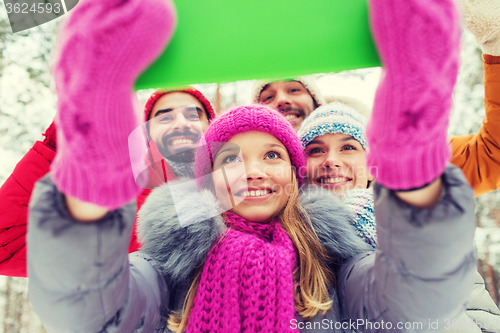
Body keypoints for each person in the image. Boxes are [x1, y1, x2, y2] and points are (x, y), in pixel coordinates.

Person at [28, 0, 477, 331]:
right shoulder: (171, 262)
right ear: (206, 181)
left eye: (273, 155)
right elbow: (91, 311)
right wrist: (91, 176)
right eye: (229, 158)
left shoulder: (337, 260)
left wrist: (413, 164)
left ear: (298, 179)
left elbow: (416, 304)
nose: (252, 171)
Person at [251, 0, 500, 199]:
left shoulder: (405, 153)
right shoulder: (257, 186)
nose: (281, 101)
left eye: (294, 90)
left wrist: (496, 38)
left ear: (317, 100)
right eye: (268, 97)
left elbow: (491, 154)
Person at [298, 101, 500, 332]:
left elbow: (483, 319)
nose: (331, 160)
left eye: (348, 148)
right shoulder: (287, 241)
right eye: (316, 150)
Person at [0, 86, 215, 277]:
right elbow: (5, 248)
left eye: (193, 115)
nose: (181, 123)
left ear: (213, 126)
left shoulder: (241, 192)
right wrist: (63, 142)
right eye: (165, 117)